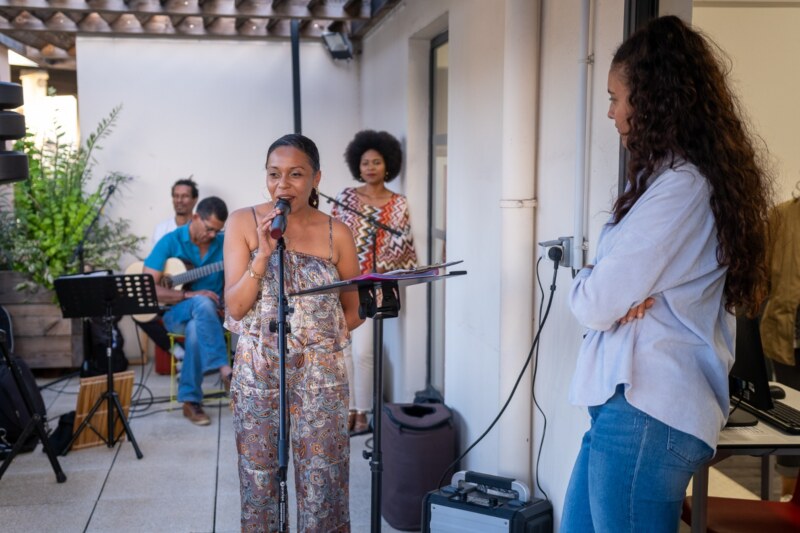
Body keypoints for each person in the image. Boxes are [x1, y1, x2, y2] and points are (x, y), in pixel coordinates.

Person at [562, 16, 772, 531]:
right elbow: (607, 294)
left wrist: (597, 288)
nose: (610, 112)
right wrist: (605, 287)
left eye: (616, 98)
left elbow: (595, 302)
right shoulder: (663, 182)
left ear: (652, 100)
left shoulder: (682, 188)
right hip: (624, 407)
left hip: (647, 414)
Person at [223, 133, 364, 531]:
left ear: (316, 178)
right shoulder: (243, 222)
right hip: (257, 372)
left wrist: (312, 337)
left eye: (296, 174)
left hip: (321, 376)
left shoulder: (338, 233)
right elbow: (235, 307)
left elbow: (353, 311)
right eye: (274, 174)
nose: (282, 184)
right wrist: (262, 255)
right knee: (259, 479)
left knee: (325, 480)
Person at [331, 129, 417, 435]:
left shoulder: (399, 204)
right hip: (344, 282)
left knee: (364, 352)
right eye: (365, 162)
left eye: (376, 162)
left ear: (388, 165)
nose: (370, 167)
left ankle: (363, 412)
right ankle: (348, 408)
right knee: (343, 348)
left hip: (375, 287)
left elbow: (404, 250)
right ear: (357, 165)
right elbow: (331, 237)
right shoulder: (345, 198)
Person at [143, 196, 231, 427]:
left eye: (217, 230)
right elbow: (147, 287)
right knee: (201, 302)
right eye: (209, 228)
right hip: (175, 315)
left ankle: (190, 401)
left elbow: (235, 280)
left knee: (196, 328)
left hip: (212, 318)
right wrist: (187, 295)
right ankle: (225, 369)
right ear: (196, 217)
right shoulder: (170, 241)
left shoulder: (224, 244)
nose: (212, 235)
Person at [151, 177, 199, 246]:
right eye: (176, 196)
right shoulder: (161, 229)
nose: (179, 200)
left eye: (185, 196)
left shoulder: (202, 230)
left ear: (195, 200)